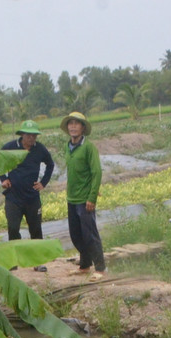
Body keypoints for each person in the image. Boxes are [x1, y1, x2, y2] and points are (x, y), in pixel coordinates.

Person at [61, 111, 105, 276]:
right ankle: (85, 265)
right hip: (71, 198)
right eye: (70, 123)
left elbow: (96, 172)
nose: (73, 126)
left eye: (76, 123)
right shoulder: (68, 146)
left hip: (85, 200)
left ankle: (100, 268)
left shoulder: (88, 147)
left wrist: (92, 197)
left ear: (83, 127)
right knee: (76, 235)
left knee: (90, 235)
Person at [0, 120, 54, 241]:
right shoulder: (10, 147)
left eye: (34, 135)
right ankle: (17, 256)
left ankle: (38, 258)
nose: (31, 138)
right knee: (13, 229)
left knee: (36, 230)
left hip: (32, 197)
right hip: (13, 197)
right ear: (22, 134)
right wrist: (3, 179)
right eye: (28, 135)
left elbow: (50, 164)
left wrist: (43, 183)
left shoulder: (40, 149)